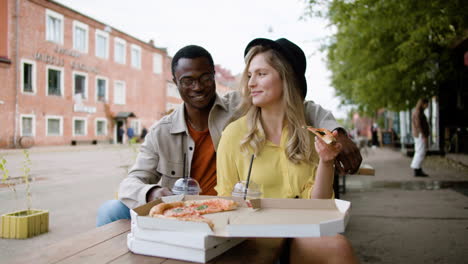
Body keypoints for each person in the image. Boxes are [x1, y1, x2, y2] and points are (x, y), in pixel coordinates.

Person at [96, 44, 362, 226]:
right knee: (110, 210)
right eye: (188, 80)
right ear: (175, 84)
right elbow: (129, 184)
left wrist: (338, 133)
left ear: (214, 76)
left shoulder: (238, 106)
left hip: (228, 210)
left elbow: (300, 107)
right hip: (184, 211)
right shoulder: (161, 132)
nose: (198, 87)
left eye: (205, 78)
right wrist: (155, 194)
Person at [215, 37, 359, 264]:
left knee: (338, 247)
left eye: (261, 74)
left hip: (301, 230)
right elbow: (225, 201)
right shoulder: (234, 135)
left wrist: (326, 162)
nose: (251, 83)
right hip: (253, 233)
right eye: (250, 75)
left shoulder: (308, 133)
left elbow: (318, 208)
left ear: (286, 79)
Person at [410, 98, 430, 177]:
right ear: (423, 104)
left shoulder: (417, 111)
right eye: (426, 104)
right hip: (420, 134)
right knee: (420, 151)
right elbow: (418, 125)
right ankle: (416, 168)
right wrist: (423, 135)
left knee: (419, 151)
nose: (427, 106)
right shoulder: (418, 112)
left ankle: (417, 168)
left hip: (418, 134)